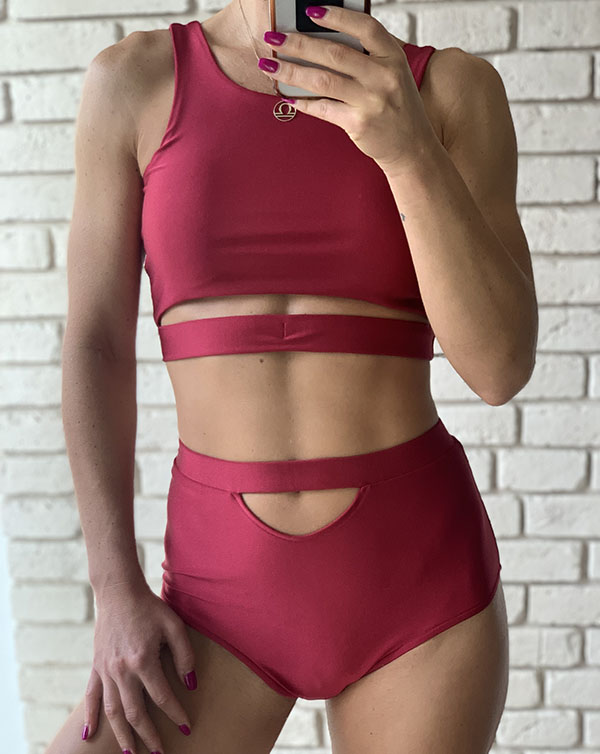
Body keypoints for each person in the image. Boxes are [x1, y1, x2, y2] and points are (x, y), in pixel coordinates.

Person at [47, 0, 538, 751]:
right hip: (213, 601)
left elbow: (500, 368)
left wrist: (408, 150)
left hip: (419, 592)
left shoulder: (451, 91)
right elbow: (96, 345)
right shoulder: (134, 82)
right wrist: (114, 588)